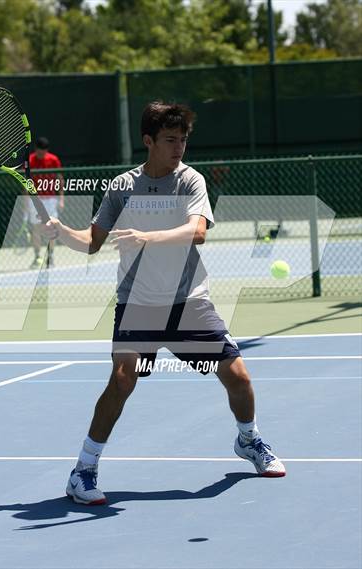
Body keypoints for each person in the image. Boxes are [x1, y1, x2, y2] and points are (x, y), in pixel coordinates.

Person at [43, 102, 286, 506]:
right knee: (122, 380)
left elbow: (198, 231)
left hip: (188, 301)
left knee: (238, 377)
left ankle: (249, 439)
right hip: (138, 303)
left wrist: (146, 238)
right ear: (148, 141)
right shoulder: (122, 187)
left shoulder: (190, 180)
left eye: (183, 140)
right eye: (170, 140)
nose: (179, 148)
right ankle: (83, 470)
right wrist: (62, 231)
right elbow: (92, 242)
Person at [28, 137, 64, 268]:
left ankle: (50, 256)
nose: (41, 155)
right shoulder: (30, 160)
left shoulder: (53, 159)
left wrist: (61, 199)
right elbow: (26, 183)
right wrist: (26, 203)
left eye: (44, 152)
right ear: (35, 149)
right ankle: (37, 257)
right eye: (39, 152)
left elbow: (60, 179)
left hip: (50, 200)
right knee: (36, 229)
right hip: (35, 199)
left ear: (47, 150)